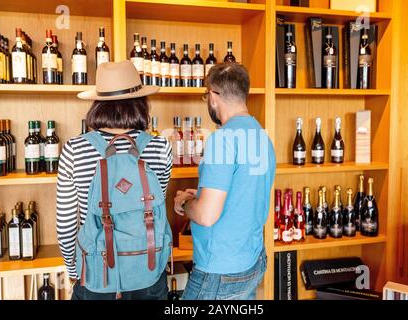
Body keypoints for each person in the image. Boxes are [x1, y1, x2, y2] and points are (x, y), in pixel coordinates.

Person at [56, 61, 172, 300]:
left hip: (96, 274)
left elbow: (66, 226)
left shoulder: (74, 149)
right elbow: (155, 211)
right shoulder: (161, 147)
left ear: (97, 104)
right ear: (141, 103)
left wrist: (74, 270)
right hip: (148, 271)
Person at [174, 63, 276, 300]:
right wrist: (202, 194)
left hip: (220, 270)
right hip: (251, 260)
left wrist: (186, 202)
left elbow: (206, 216)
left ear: (212, 96)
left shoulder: (222, 139)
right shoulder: (262, 136)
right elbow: (244, 191)